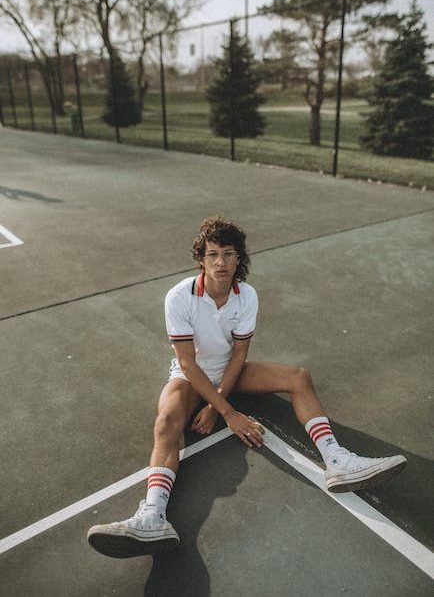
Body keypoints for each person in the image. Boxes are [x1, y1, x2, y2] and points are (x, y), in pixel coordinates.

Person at [87, 216, 406, 558]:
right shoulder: (179, 297)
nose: (220, 262)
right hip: (190, 378)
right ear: (201, 259)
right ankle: (153, 515)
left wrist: (216, 405)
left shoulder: (246, 296)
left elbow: (240, 355)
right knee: (166, 421)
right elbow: (187, 364)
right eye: (212, 254)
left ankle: (337, 460)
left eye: (228, 254)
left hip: (231, 372)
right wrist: (227, 412)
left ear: (239, 258)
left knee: (299, 376)